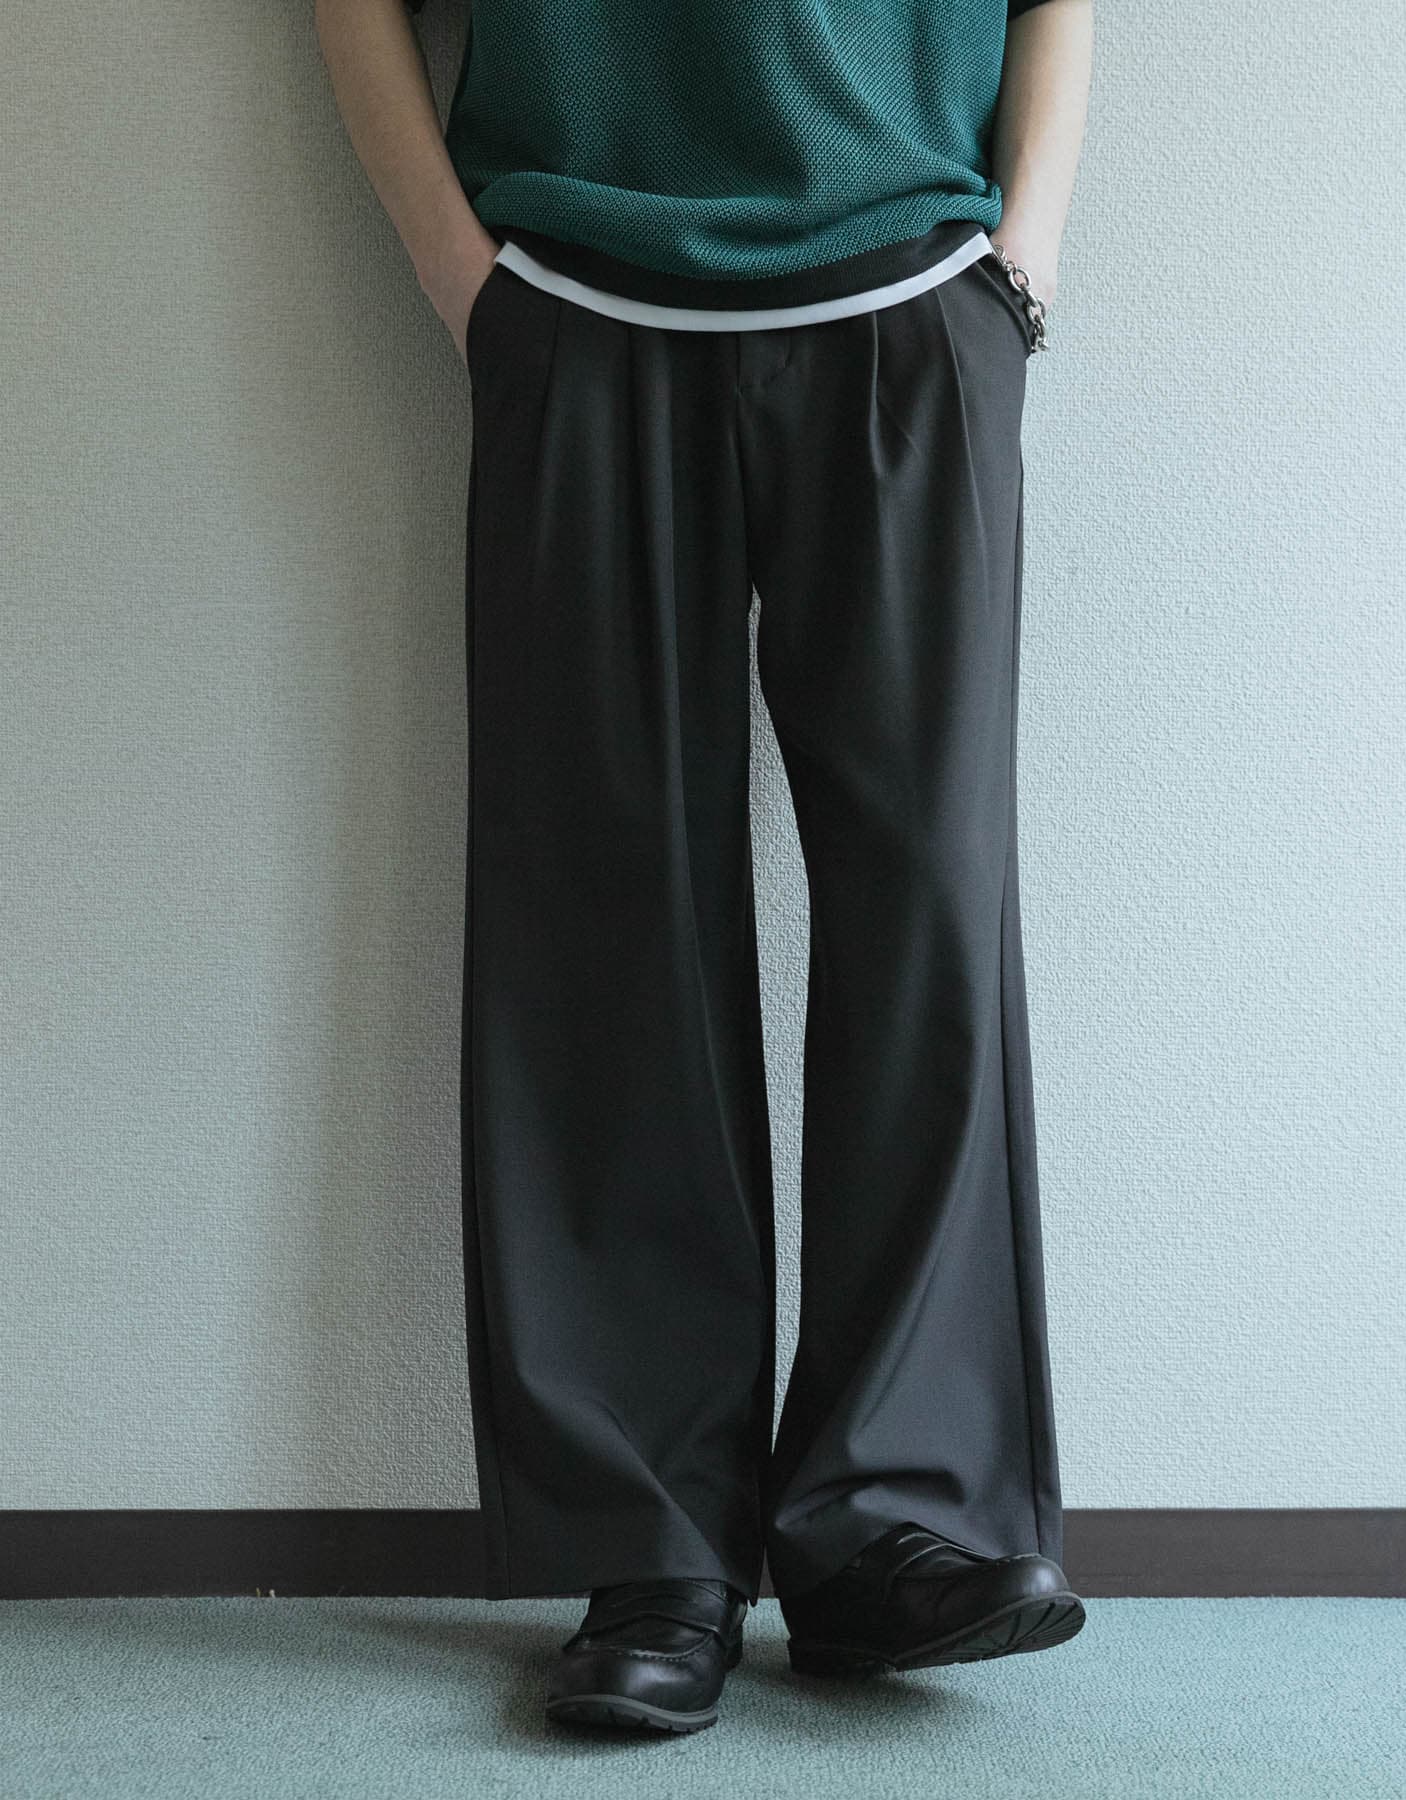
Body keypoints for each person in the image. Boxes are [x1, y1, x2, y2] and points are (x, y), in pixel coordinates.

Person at [317, 0, 1094, 1736]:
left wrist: (1021, 270)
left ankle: (896, 1518)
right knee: (605, 936)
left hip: (914, 300)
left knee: (930, 926)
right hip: (580, 305)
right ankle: (650, 1545)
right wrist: (465, 282)